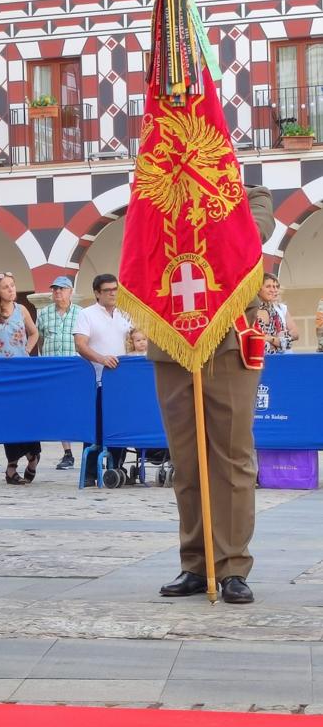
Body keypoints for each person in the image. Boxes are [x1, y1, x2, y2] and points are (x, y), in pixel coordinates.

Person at [156, 186, 276, 604]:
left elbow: (250, 233)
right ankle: (195, 562)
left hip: (227, 341)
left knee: (231, 458)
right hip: (172, 337)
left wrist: (198, 201)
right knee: (186, 462)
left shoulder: (250, 194)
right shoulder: (156, 189)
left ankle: (232, 565)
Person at [0, 272, 41, 485]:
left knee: (28, 414)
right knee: (9, 417)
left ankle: (33, 456)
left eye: (12, 286)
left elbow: (34, 333)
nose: (11, 290)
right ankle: (12, 466)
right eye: (6, 287)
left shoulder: (21, 310)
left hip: (20, 369)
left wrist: (27, 350)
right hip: (1, 370)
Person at [73, 273, 132, 485]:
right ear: (97, 293)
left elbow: (134, 338)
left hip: (122, 382)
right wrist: (101, 359)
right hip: (97, 380)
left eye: (115, 289)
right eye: (107, 290)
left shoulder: (125, 314)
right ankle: (89, 474)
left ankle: (116, 469)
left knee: (120, 426)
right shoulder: (87, 314)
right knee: (96, 428)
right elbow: (80, 344)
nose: (112, 294)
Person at [36, 275, 82, 470]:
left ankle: (91, 448)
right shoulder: (44, 314)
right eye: (54, 289)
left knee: (78, 409)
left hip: (75, 368)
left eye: (62, 289)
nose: (57, 292)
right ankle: (68, 453)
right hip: (53, 369)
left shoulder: (81, 313)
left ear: (71, 291)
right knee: (61, 410)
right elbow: (38, 338)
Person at [255, 272, 299, 354]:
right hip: (258, 361)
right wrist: (277, 341)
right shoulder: (251, 312)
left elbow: (288, 343)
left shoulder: (275, 311)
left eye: (275, 287)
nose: (273, 290)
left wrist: (271, 339)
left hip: (279, 360)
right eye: (268, 286)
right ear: (258, 289)